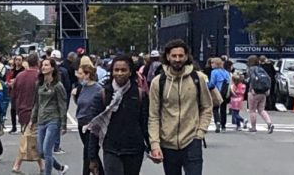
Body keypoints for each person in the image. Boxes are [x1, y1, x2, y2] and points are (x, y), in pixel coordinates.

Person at [147, 39, 212, 175]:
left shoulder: (198, 78)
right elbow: (153, 115)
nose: (177, 59)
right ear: (167, 57)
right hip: (167, 142)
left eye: (181, 55)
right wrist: (155, 143)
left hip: (192, 140)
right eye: (174, 56)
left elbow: (207, 107)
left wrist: (200, 132)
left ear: (186, 57)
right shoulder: (158, 82)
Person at [84, 55, 148, 175]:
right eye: (116, 70)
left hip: (134, 150)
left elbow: (145, 124)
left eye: (123, 70)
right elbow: (95, 128)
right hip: (111, 150)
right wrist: (92, 157)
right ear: (112, 72)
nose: (119, 73)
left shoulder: (139, 95)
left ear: (130, 72)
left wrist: (152, 147)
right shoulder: (103, 95)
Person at [33, 57, 69, 175]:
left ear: (53, 68)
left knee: (47, 150)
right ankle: (60, 168)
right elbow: (36, 103)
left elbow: (62, 105)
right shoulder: (39, 84)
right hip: (41, 119)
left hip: (53, 119)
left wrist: (63, 124)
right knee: (41, 152)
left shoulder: (58, 85)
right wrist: (32, 119)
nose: (43, 67)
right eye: (42, 65)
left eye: (47, 65)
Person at [73, 59, 104, 175]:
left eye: (80, 74)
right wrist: (74, 97)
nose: (78, 76)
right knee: (91, 154)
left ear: (88, 74)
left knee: (88, 153)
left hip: (92, 125)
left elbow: (101, 107)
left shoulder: (98, 89)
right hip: (81, 123)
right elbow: (79, 104)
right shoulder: (81, 88)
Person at [244, 55, 273, 134]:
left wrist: (252, 87)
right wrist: (267, 89)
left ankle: (253, 127)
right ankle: (269, 123)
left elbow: (250, 79)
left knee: (252, 110)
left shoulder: (251, 69)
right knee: (261, 109)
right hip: (263, 92)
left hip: (254, 92)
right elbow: (268, 78)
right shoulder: (261, 69)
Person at [206, 58, 231, 133]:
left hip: (217, 92)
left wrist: (208, 87)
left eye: (213, 63)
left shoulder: (214, 72)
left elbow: (212, 83)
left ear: (216, 64)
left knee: (215, 108)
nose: (211, 65)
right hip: (225, 92)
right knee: (223, 108)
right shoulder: (226, 72)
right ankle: (223, 125)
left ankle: (217, 122)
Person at [5, 56, 24, 134]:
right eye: (16, 60)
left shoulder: (23, 71)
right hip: (13, 92)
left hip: (21, 92)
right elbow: (8, 80)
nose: (17, 61)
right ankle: (14, 127)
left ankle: (23, 126)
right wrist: (9, 83)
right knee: (13, 109)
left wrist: (15, 81)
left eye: (19, 60)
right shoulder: (11, 71)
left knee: (21, 110)